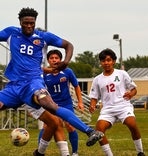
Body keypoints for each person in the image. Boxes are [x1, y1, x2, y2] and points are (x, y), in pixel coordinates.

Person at [0, 7, 104, 156]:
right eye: (25, 23)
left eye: (32, 23)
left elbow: (69, 45)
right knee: (53, 122)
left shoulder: (43, 37)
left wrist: (66, 62)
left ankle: (90, 131)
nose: (29, 26)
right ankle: (40, 153)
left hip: (33, 83)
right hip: (14, 87)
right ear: (20, 22)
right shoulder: (11, 32)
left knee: (50, 106)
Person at [89, 48, 145, 156]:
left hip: (123, 106)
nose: (106, 63)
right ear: (100, 62)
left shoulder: (122, 74)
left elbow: (134, 89)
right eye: (104, 61)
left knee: (132, 124)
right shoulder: (97, 79)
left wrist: (131, 94)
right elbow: (94, 97)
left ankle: (140, 152)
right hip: (107, 110)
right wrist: (92, 105)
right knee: (99, 131)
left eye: (109, 60)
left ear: (114, 61)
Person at [38, 49, 84, 156]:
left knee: (70, 126)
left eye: (56, 58)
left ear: (60, 60)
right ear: (48, 61)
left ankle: (75, 153)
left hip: (66, 104)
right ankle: (40, 151)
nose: (54, 60)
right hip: (51, 105)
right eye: (52, 58)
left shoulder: (68, 71)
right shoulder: (45, 74)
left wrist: (80, 102)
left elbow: (76, 86)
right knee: (46, 127)